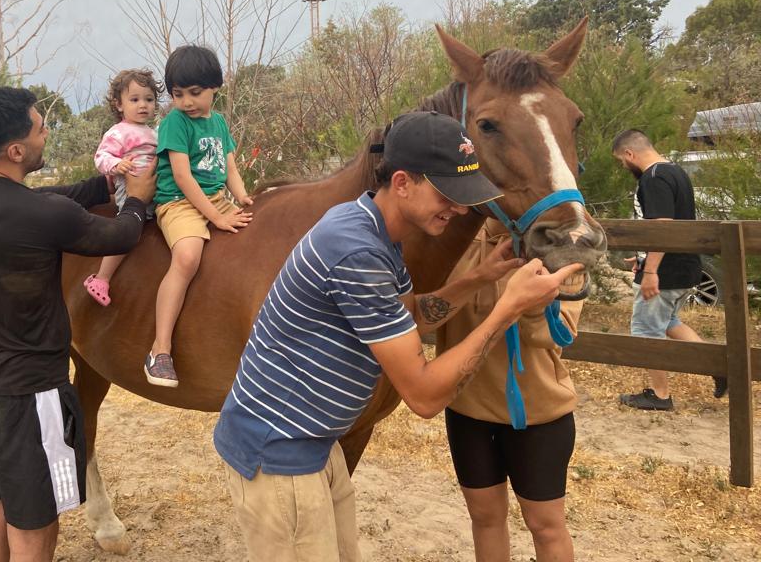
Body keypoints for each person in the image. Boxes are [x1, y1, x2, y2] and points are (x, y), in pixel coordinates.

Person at [213, 111, 584, 562]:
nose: (461, 209)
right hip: (278, 454)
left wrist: (478, 278)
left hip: (313, 445)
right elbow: (425, 398)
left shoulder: (372, 229)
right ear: (403, 182)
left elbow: (412, 316)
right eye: (448, 194)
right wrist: (507, 309)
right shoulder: (357, 252)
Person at [0, 86, 155, 562]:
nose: (46, 133)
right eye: (40, 129)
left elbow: (47, 199)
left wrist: (106, 181)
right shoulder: (41, 214)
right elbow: (121, 233)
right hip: (31, 396)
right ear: (16, 151)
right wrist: (135, 198)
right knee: (36, 530)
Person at [437, 220, 583, 562]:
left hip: (538, 410)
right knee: (484, 517)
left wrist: (528, 302)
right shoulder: (453, 230)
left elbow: (556, 333)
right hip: (467, 406)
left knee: (545, 525)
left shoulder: (563, 242)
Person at [146, 44, 253, 387]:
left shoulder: (219, 123)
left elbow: (231, 168)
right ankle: (160, 349)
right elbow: (182, 176)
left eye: (195, 93)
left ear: (215, 88)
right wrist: (217, 217)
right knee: (188, 257)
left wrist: (245, 199)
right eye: (178, 94)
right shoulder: (175, 122)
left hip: (216, 198)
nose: (186, 102)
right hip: (179, 202)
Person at [611, 128, 725, 410]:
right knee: (670, 322)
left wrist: (651, 272)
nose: (623, 166)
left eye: (621, 161)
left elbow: (662, 228)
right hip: (684, 265)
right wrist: (642, 258)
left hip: (665, 273)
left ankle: (660, 396)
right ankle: (720, 367)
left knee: (646, 330)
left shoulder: (653, 178)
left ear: (629, 153)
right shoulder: (676, 172)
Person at [83, 68, 163, 306]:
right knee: (128, 234)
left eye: (149, 99)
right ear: (119, 105)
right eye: (135, 99)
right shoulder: (118, 132)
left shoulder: (154, 133)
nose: (143, 105)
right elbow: (101, 157)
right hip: (131, 193)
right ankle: (101, 278)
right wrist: (117, 164)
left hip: (154, 190)